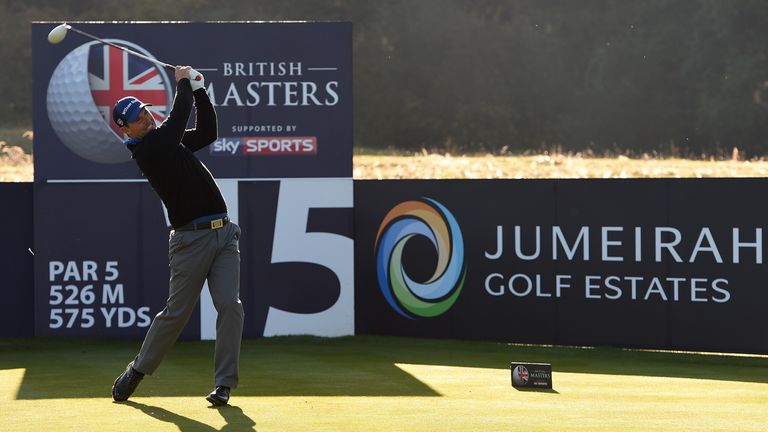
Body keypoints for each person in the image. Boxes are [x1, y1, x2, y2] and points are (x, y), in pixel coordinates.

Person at [110, 66, 244, 406]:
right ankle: (137, 371)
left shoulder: (166, 141)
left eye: (144, 111)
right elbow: (178, 117)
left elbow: (210, 131)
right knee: (176, 314)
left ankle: (224, 385)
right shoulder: (148, 150)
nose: (146, 118)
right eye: (138, 118)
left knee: (230, 305)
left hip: (225, 235)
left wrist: (199, 90)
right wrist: (183, 81)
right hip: (190, 241)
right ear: (125, 129)